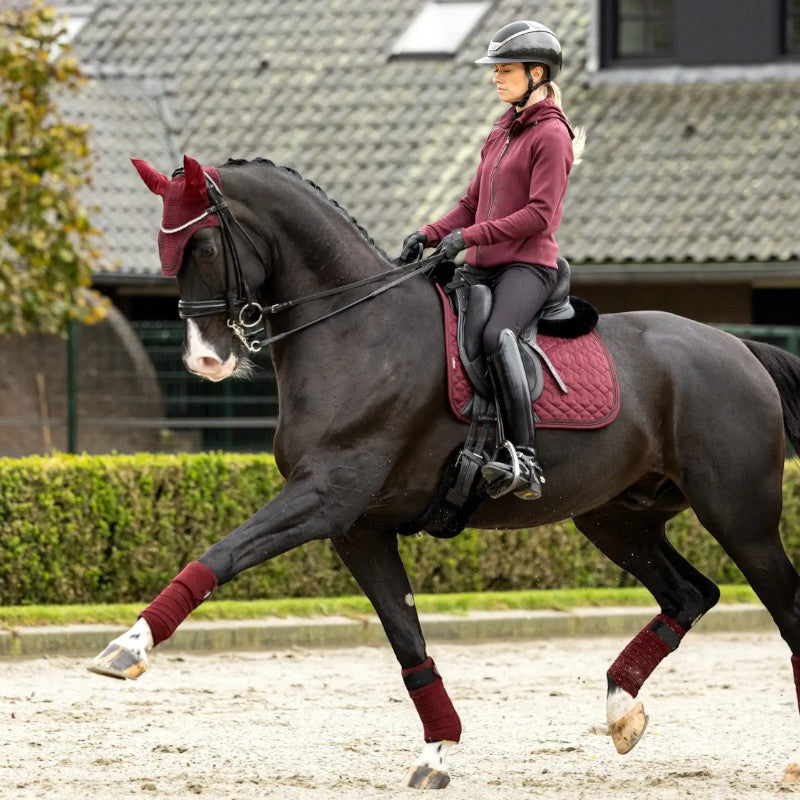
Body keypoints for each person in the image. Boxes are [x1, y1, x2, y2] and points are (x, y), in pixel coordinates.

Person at [399, 20, 584, 501]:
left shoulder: (552, 136)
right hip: (481, 264)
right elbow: (469, 204)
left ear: (537, 73)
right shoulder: (502, 130)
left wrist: (469, 236)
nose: (496, 78)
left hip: (528, 267)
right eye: (495, 70)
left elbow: (539, 216)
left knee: (495, 335)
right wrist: (430, 232)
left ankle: (525, 457)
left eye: (505, 69)